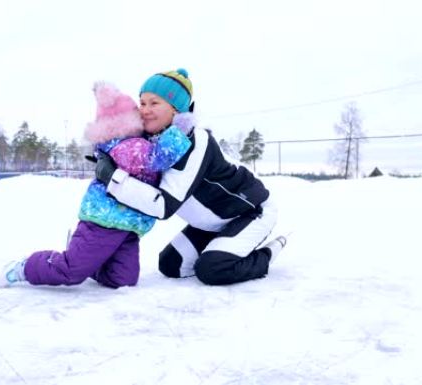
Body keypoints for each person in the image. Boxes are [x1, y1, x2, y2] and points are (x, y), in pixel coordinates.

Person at [0, 81, 193, 289]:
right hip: (104, 221)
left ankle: (88, 262)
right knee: (70, 271)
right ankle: (23, 268)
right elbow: (157, 158)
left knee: (123, 279)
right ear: (124, 123)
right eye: (137, 112)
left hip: (129, 226)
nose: (143, 114)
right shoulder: (126, 146)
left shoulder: (133, 142)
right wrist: (181, 129)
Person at [93, 68, 288, 286]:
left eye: (154, 103)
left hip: (249, 213)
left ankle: (266, 255)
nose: (145, 110)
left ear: (176, 110)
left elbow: (163, 205)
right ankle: (223, 244)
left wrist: (112, 178)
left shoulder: (194, 142)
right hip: (210, 224)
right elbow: (122, 150)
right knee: (170, 265)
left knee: (212, 269)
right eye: (142, 102)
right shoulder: (150, 141)